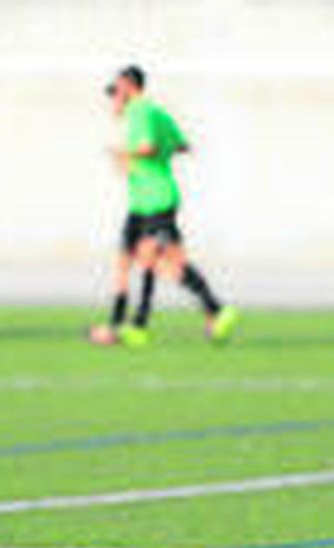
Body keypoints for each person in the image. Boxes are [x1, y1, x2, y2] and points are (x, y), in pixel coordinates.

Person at [89, 65, 238, 347]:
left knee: (152, 260)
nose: (113, 100)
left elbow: (148, 146)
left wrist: (123, 153)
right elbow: (182, 145)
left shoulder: (139, 111)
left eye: (116, 93)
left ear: (129, 87)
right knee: (130, 261)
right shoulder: (156, 113)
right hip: (143, 201)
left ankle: (142, 326)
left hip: (155, 200)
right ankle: (123, 326)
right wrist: (147, 156)